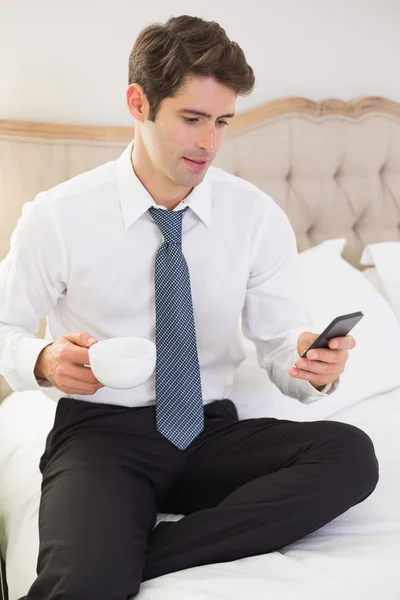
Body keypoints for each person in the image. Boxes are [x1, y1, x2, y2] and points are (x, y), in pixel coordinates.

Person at [0, 15, 378, 600]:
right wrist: (45, 359)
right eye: (192, 119)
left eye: (222, 122)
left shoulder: (254, 217)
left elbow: (280, 346)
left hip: (207, 432)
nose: (209, 143)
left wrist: (309, 366)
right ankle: (103, 565)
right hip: (103, 434)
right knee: (83, 586)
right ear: (139, 103)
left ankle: (135, 559)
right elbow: (5, 327)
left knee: (349, 454)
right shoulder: (58, 216)